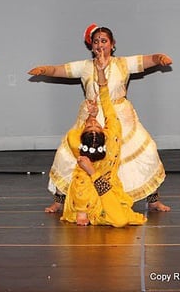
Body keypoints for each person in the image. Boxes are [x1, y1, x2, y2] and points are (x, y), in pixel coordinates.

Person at [28, 24, 172, 212]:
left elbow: (149, 60)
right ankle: (59, 201)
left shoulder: (123, 63)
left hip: (119, 116)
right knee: (67, 155)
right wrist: (44, 69)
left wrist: (160, 58)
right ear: (91, 46)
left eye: (104, 41)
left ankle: (153, 200)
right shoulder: (85, 66)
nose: (100, 45)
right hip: (91, 116)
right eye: (96, 41)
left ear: (112, 44)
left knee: (146, 151)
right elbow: (58, 70)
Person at [61, 51, 147, 226]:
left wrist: (100, 73)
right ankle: (84, 212)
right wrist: (82, 210)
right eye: (93, 124)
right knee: (119, 220)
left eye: (92, 124)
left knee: (123, 219)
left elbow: (106, 101)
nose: (93, 122)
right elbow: (80, 183)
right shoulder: (77, 141)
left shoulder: (111, 136)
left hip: (109, 188)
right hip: (84, 196)